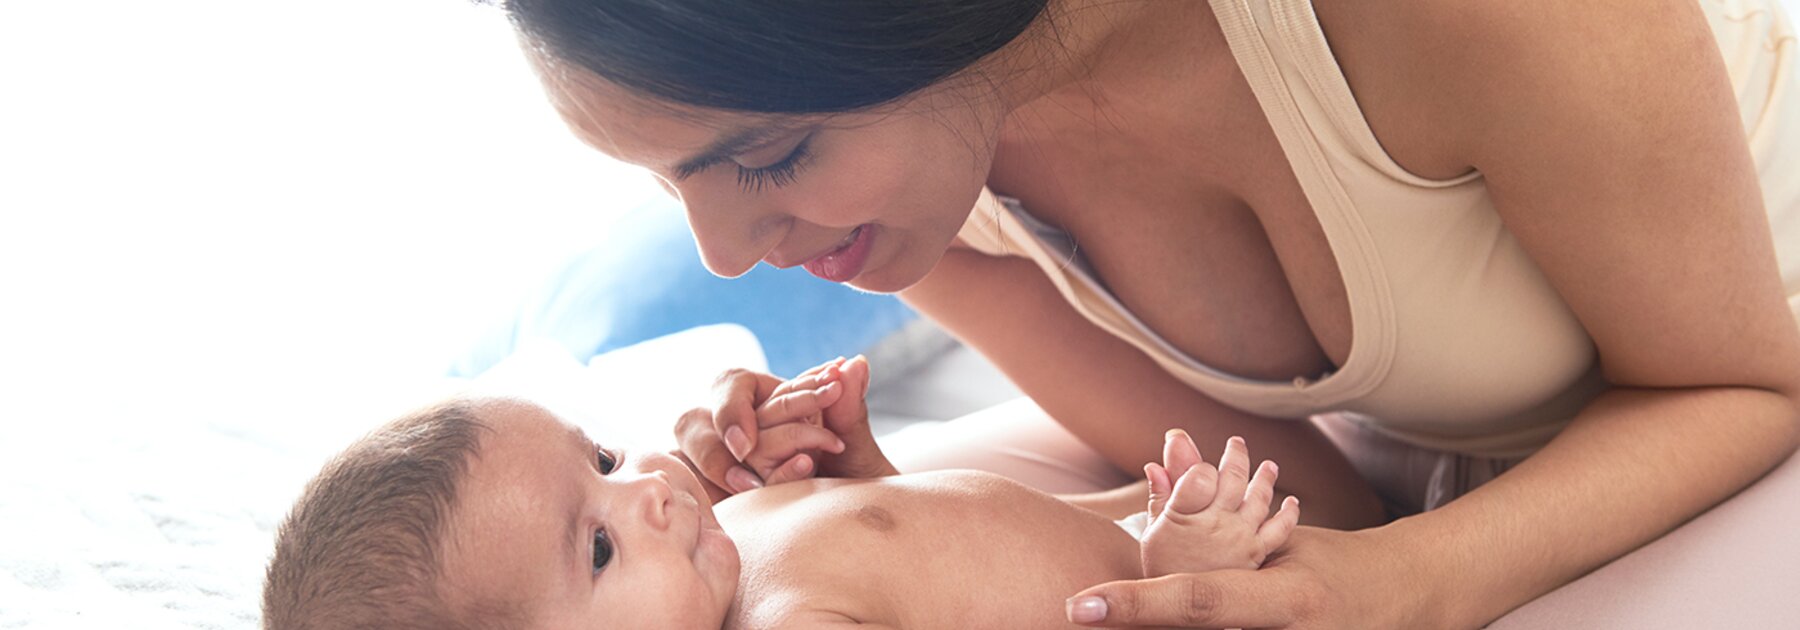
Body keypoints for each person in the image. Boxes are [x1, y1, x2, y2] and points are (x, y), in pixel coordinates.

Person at [486, 0, 1800, 626]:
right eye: (676, 185)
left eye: (766, 156)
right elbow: (1308, 505)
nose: (726, 255)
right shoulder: (916, 211)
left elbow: (1747, 386)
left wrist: (1417, 582)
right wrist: (861, 513)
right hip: (1464, 437)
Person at [260, 358, 1301, 628]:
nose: (652, 494)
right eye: (597, 550)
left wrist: (869, 475)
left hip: (1166, 522)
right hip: (1205, 589)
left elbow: (952, 571)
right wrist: (1171, 593)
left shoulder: (723, 548)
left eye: (606, 463)